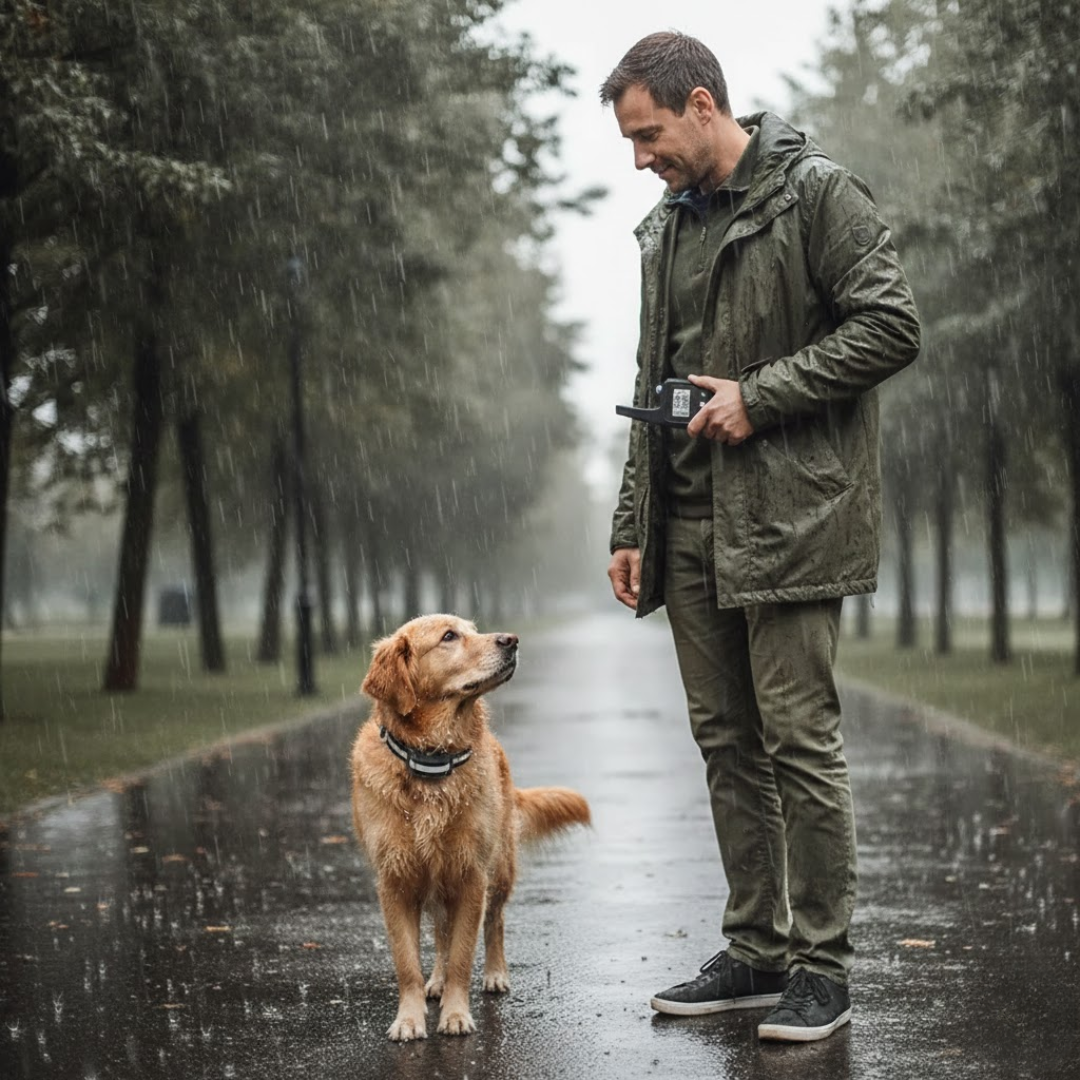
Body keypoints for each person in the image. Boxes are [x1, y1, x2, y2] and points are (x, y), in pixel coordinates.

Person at [601, 32, 920, 1043]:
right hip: (687, 524)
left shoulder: (817, 195)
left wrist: (763, 396)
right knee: (727, 743)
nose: (640, 158)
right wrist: (630, 524)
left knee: (798, 743)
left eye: (649, 135)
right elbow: (657, 376)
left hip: (789, 519)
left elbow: (891, 324)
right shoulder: (667, 227)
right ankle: (755, 948)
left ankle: (822, 968)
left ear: (703, 104)